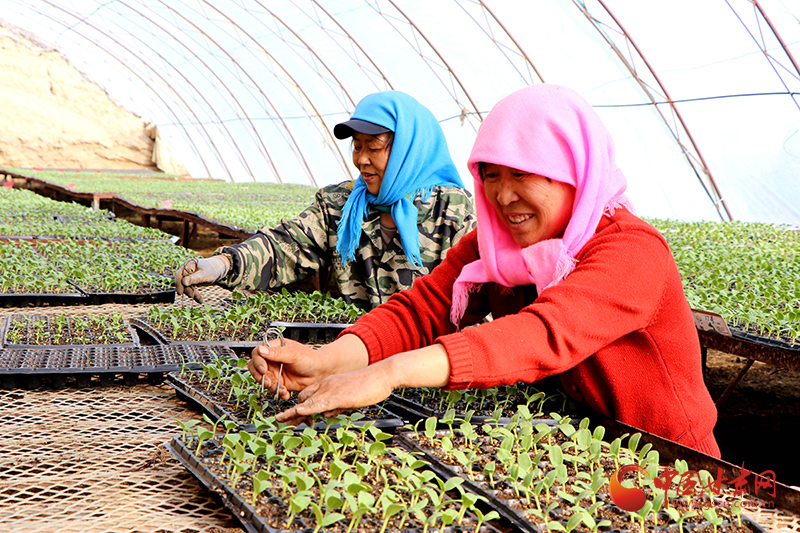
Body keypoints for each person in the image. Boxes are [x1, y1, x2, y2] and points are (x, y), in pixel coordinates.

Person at [247, 85, 720, 458]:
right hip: (580, 451)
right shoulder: (500, 247)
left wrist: (389, 373)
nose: (503, 195)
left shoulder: (632, 251)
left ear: (575, 171)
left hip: (669, 463)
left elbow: (543, 334)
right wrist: (326, 360)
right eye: (491, 174)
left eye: (523, 174)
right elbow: (423, 308)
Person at [175, 91, 475, 310]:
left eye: (374, 147)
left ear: (409, 149)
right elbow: (285, 246)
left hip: (428, 365)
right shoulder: (340, 203)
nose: (362, 160)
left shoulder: (450, 210)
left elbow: (472, 295)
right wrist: (224, 263)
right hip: (352, 356)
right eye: (357, 147)